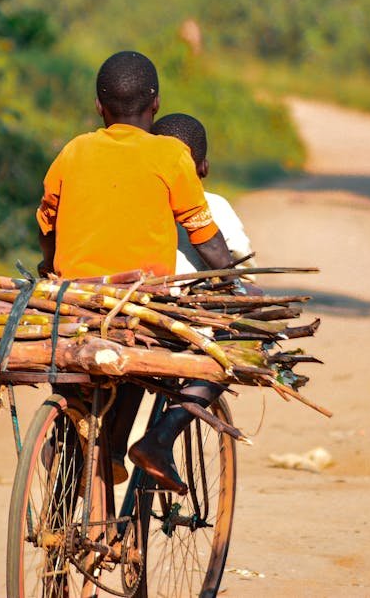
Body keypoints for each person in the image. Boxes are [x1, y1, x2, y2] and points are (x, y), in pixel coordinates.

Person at [35, 51, 235, 494]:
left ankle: (71, 452)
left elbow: (47, 222)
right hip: (137, 303)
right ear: (156, 104)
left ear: (99, 107)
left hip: (73, 302)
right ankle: (156, 442)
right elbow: (206, 238)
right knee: (215, 361)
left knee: (87, 379)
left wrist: (49, 267)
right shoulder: (169, 155)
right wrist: (238, 283)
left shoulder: (74, 150)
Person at [152, 113, 258, 279]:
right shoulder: (215, 206)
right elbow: (242, 265)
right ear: (204, 168)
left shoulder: (136, 202)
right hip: (196, 298)